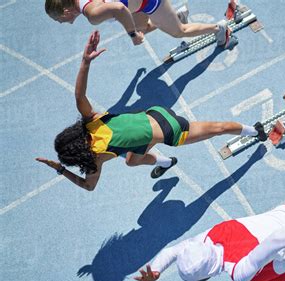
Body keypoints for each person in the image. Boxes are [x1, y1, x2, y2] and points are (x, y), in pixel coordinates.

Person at [36, 31, 267, 191]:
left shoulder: (96, 159)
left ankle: (256, 132)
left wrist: (60, 171)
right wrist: (85, 62)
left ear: (78, 157)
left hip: (172, 131)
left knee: (218, 129)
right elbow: (79, 96)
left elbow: (88, 186)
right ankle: (166, 163)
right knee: (131, 160)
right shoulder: (91, 121)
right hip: (155, 112)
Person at [133, 190, 285, 281]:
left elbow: (277, 240)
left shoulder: (238, 272)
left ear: (205, 278)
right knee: (277, 230)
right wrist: (156, 271)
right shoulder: (209, 236)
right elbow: (173, 251)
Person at [44, 0, 237, 48]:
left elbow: (119, 9)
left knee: (179, 33)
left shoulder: (92, 14)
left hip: (147, 2)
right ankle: (175, 17)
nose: (61, 23)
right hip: (137, 7)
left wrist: (132, 35)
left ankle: (220, 29)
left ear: (65, 11)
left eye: (58, 19)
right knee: (142, 29)